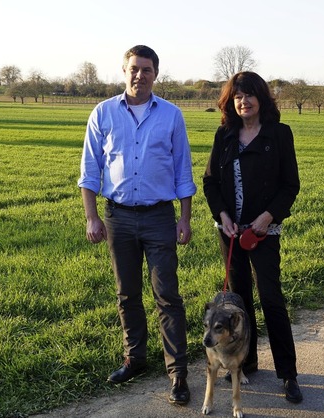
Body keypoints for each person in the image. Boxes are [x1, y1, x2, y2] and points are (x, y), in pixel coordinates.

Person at [78, 45, 196, 406]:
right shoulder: (103, 113)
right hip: (118, 217)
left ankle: (177, 372)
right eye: (134, 69)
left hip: (160, 216)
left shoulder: (172, 116)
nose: (139, 75)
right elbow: (90, 169)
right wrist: (92, 216)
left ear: (156, 74)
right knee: (126, 293)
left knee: (168, 295)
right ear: (124, 71)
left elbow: (183, 170)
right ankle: (136, 359)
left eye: (146, 70)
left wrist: (185, 218)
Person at [202, 71, 303, 403]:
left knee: (271, 298)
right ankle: (248, 362)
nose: (243, 102)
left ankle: (288, 374)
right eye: (237, 97)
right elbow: (210, 183)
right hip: (230, 233)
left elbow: (291, 185)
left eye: (249, 95)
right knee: (239, 301)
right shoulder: (224, 136)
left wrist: (267, 216)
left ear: (261, 98)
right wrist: (224, 216)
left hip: (264, 232)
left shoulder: (279, 134)